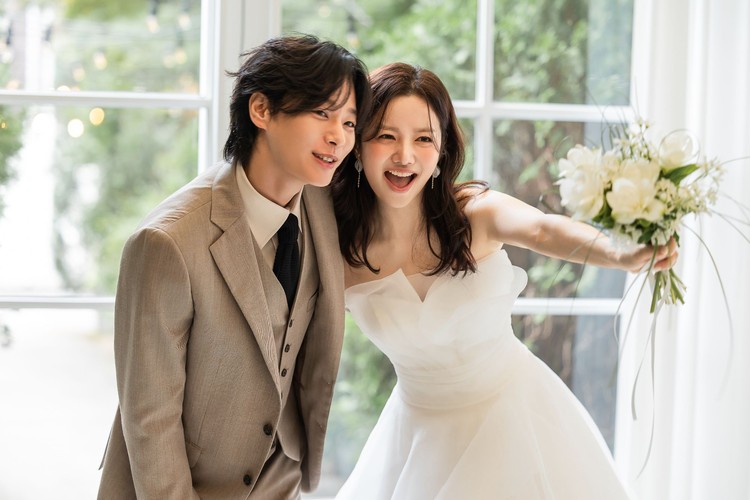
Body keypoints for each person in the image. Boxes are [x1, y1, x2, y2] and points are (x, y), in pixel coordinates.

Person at [330, 63, 677, 499]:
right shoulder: (340, 253)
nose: (405, 156)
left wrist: (616, 253)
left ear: (442, 149)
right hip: (414, 439)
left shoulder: (474, 213)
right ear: (357, 145)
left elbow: (543, 229)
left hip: (515, 418)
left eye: (423, 138)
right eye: (386, 136)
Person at [97, 34, 371, 499]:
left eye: (348, 122)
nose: (338, 137)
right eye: (321, 113)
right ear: (260, 110)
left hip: (279, 479)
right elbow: (150, 417)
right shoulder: (167, 243)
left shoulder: (322, 201)